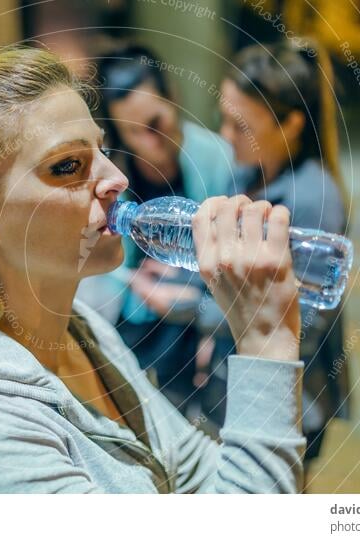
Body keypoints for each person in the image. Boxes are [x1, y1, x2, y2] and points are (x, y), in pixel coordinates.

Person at [0, 46, 306, 493]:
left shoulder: (84, 331)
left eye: (100, 150)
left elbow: (196, 473)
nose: (117, 178)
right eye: (68, 166)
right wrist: (264, 343)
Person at [205, 39, 351, 464]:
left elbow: (308, 317)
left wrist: (196, 311)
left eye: (240, 125)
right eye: (225, 120)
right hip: (236, 381)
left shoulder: (312, 196)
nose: (225, 134)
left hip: (288, 398)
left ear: (289, 124)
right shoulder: (247, 174)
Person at [76, 45, 235, 410]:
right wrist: (135, 281)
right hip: (131, 331)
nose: (149, 142)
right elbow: (88, 268)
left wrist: (210, 324)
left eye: (155, 123)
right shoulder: (113, 175)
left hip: (201, 330)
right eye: (133, 133)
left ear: (173, 99)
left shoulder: (218, 158)